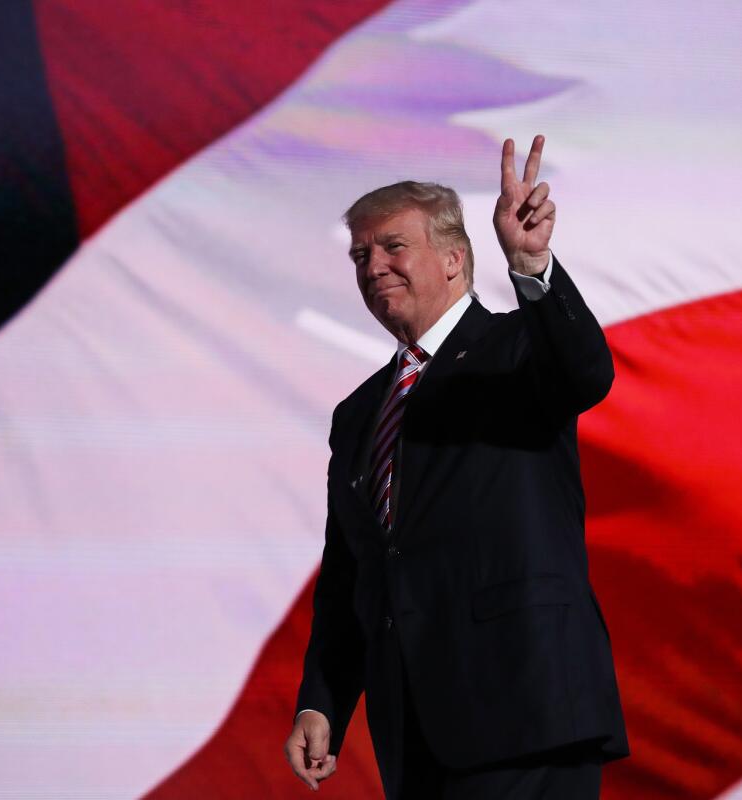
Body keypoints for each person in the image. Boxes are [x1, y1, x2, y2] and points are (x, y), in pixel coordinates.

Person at [285, 136, 629, 798]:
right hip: (414, 725)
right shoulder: (359, 413)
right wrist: (322, 700)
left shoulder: (515, 349)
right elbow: (352, 572)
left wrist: (532, 264)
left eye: (392, 246)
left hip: (526, 705)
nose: (373, 265)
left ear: (452, 258)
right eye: (361, 254)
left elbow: (585, 372)